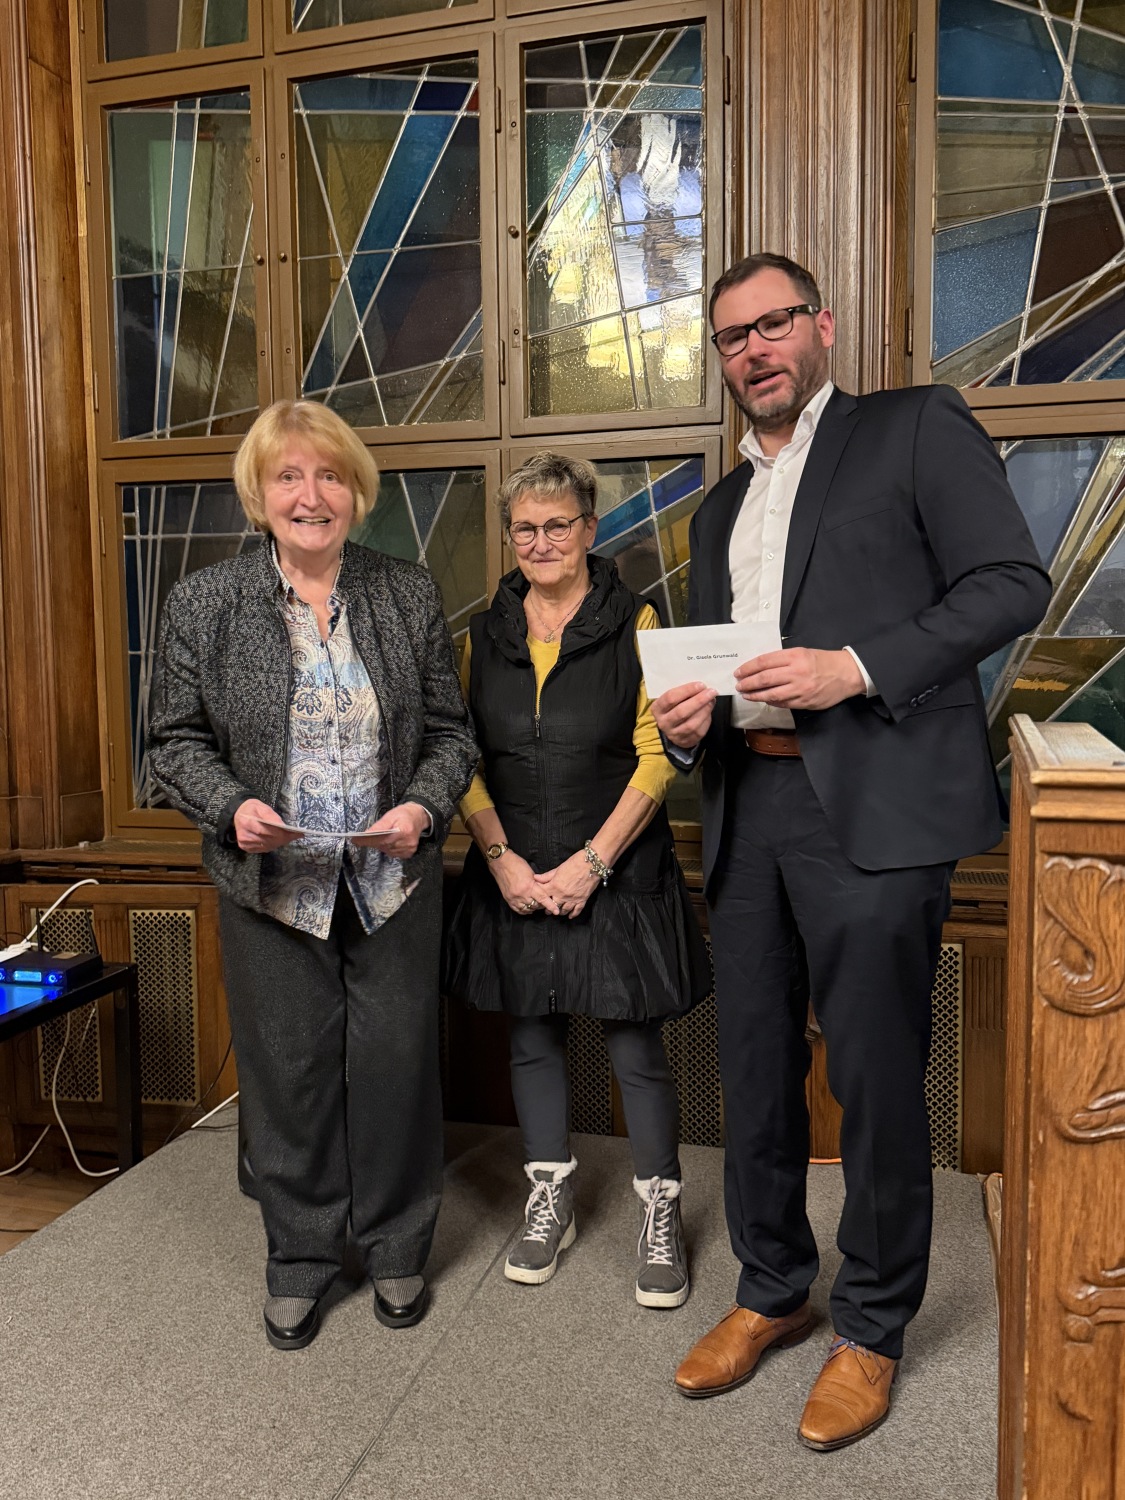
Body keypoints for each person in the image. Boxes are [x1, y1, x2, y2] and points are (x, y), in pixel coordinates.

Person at [652, 254, 1051, 1448]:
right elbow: (736, 668)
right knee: (757, 1068)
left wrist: (857, 668)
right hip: (748, 805)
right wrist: (696, 710)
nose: (754, 350)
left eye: (773, 324)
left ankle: (871, 1326)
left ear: (820, 326)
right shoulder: (719, 506)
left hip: (871, 809)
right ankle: (771, 1289)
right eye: (731, 338)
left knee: (875, 1080)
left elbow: (1010, 583)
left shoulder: (912, 428)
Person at [147, 400, 477, 1351]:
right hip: (270, 888)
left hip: (390, 884)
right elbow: (172, 743)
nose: (311, 494)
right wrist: (229, 808)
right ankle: (297, 1254)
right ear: (259, 494)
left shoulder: (405, 593)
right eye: (289, 476)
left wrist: (421, 808)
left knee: (396, 1069)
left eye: (329, 475)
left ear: (356, 492)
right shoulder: (203, 605)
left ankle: (398, 1241)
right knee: (287, 1075)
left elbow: (451, 735)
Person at [445, 451, 710, 1307]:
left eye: (558, 524)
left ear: (589, 530)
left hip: (616, 864)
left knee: (633, 1042)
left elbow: (657, 752)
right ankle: (548, 1194)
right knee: (532, 1034)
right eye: (525, 527)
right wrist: (502, 859)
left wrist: (592, 863)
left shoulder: (637, 620)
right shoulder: (484, 632)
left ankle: (658, 1209)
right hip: (514, 866)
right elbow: (461, 756)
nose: (541, 540)